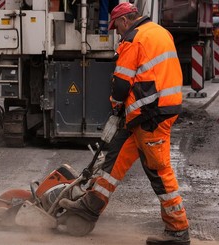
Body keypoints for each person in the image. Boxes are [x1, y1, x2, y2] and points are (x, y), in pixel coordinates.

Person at [59, 3, 190, 245]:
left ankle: (178, 230)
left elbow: (121, 84)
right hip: (149, 111)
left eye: (116, 26)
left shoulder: (133, 39)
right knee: (115, 159)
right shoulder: (160, 32)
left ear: (125, 21)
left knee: (158, 171)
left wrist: (115, 107)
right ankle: (89, 208)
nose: (116, 31)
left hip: (151, 114)